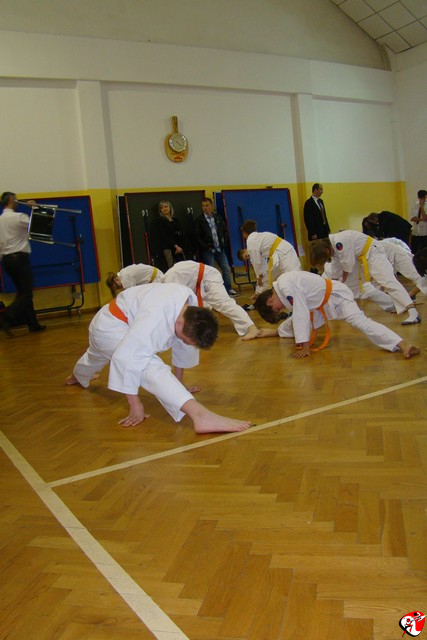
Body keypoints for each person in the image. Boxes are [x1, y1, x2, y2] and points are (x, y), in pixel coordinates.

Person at [66, 282, 251, 433]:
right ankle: (201, 416)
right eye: (185, 339)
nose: (184, 343)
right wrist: (135, 405)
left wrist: (179, 385)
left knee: (96, 355)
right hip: (109, 328)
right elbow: (125, 358)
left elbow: (182, 348)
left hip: (112, 320)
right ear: (180, 323)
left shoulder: (188, 306)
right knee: (150, 367)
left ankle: (78, 375)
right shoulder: (155, 319)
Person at [253, 271, 420, 360]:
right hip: (319, 305)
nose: (280, 309)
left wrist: (304, 346)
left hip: (336, 296)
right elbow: (299, 314)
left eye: (276, 309)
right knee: (295, 320)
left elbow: (301, 313)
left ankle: (402, 344)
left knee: (360, 321)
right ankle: (276, 332)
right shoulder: (283, 287)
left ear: (269, 301)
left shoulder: (285, 286)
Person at [309, 230, 421, 325]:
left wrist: (340, 284)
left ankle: (413, 312)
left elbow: (347, 267)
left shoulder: (339, 242)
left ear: (326, 250)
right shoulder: (334, 247)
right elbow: (336, 270)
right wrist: (333, 287)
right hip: (364, 258)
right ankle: (395, 305)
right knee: (355, 288)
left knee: (387, 281)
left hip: (373, 253)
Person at [163, 260, 259, 339]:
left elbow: (178, 304)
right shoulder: (170, 277)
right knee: (190, 305)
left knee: (224, 304)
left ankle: (251, 328)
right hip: (200, 282)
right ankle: (211, 310)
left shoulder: (169, 279)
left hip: (207, 278)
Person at [0, 191, 45, 335]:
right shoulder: (18, 217)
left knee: (22, 292)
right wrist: (35, 208)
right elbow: (38, 225)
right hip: (19, 259)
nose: (18, 202)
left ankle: (33, 324)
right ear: (11, 201)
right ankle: (5, 318)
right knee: (26, 294)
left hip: (6, 260)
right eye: (16, 200)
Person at [238, 219, 301, 294]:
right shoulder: (259, 237)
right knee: (273, 278)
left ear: (244, 233)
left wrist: (259, 276)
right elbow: (261, 263)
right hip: (279, 252)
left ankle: (302, 294)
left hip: (284, 252)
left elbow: (256, 262)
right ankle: (261, 294)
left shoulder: (251, 240)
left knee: (293, 276)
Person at [194, 197, 237, 296]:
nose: (205, 208)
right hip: (208, 250)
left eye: (207, 205)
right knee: (211, 271)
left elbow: (224, 231)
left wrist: (224, 243)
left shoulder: (218, 218)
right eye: (203, 206)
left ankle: (228, 288)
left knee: (226, 269)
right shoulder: (200, 220)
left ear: (211, 206)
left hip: (220, 248)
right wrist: (206, 246)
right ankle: (213, 291)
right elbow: (197, 236)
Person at [150, 200, 188, 271]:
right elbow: (164, 236)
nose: (164, 209)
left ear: (170, 207)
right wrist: (175, 246)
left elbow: (180, 234)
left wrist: (180, 246)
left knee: (182, 268)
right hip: (168, 248)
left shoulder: (175, 220)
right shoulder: (160, 221)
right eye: (162, 207)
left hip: (179, 248)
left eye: (166, 206)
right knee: (171, 268)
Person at [409, 189, 427, 254]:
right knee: (414, 250)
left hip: (425, 232)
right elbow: (412, 218)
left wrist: (422, 207)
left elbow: (425, 217)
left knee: (424, 251)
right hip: (416, 232)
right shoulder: (415, 206)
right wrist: (421, 219)